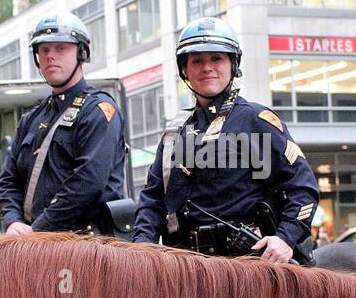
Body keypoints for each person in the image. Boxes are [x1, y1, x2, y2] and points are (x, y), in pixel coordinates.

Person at [133, 16, 320, 263]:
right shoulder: (174, 134)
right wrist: (141, 249)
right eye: (197, 60)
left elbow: (303, 187)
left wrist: (285, 238)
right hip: (186, 265)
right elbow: (153, 199)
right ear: (184, 70)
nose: (206, 67)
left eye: (216, 58)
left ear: (233, 64)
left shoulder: (256, 120)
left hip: (248, 263)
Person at [0, 12, 127, 236]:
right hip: (35, 242)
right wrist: (12, 221)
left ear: (82, 53)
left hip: (86, 243)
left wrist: (38, 229)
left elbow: (87, 182)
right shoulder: (31, 119)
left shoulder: (98, 110)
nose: (50, 57)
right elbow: (8, 180)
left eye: (60, 48)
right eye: (44, 50)